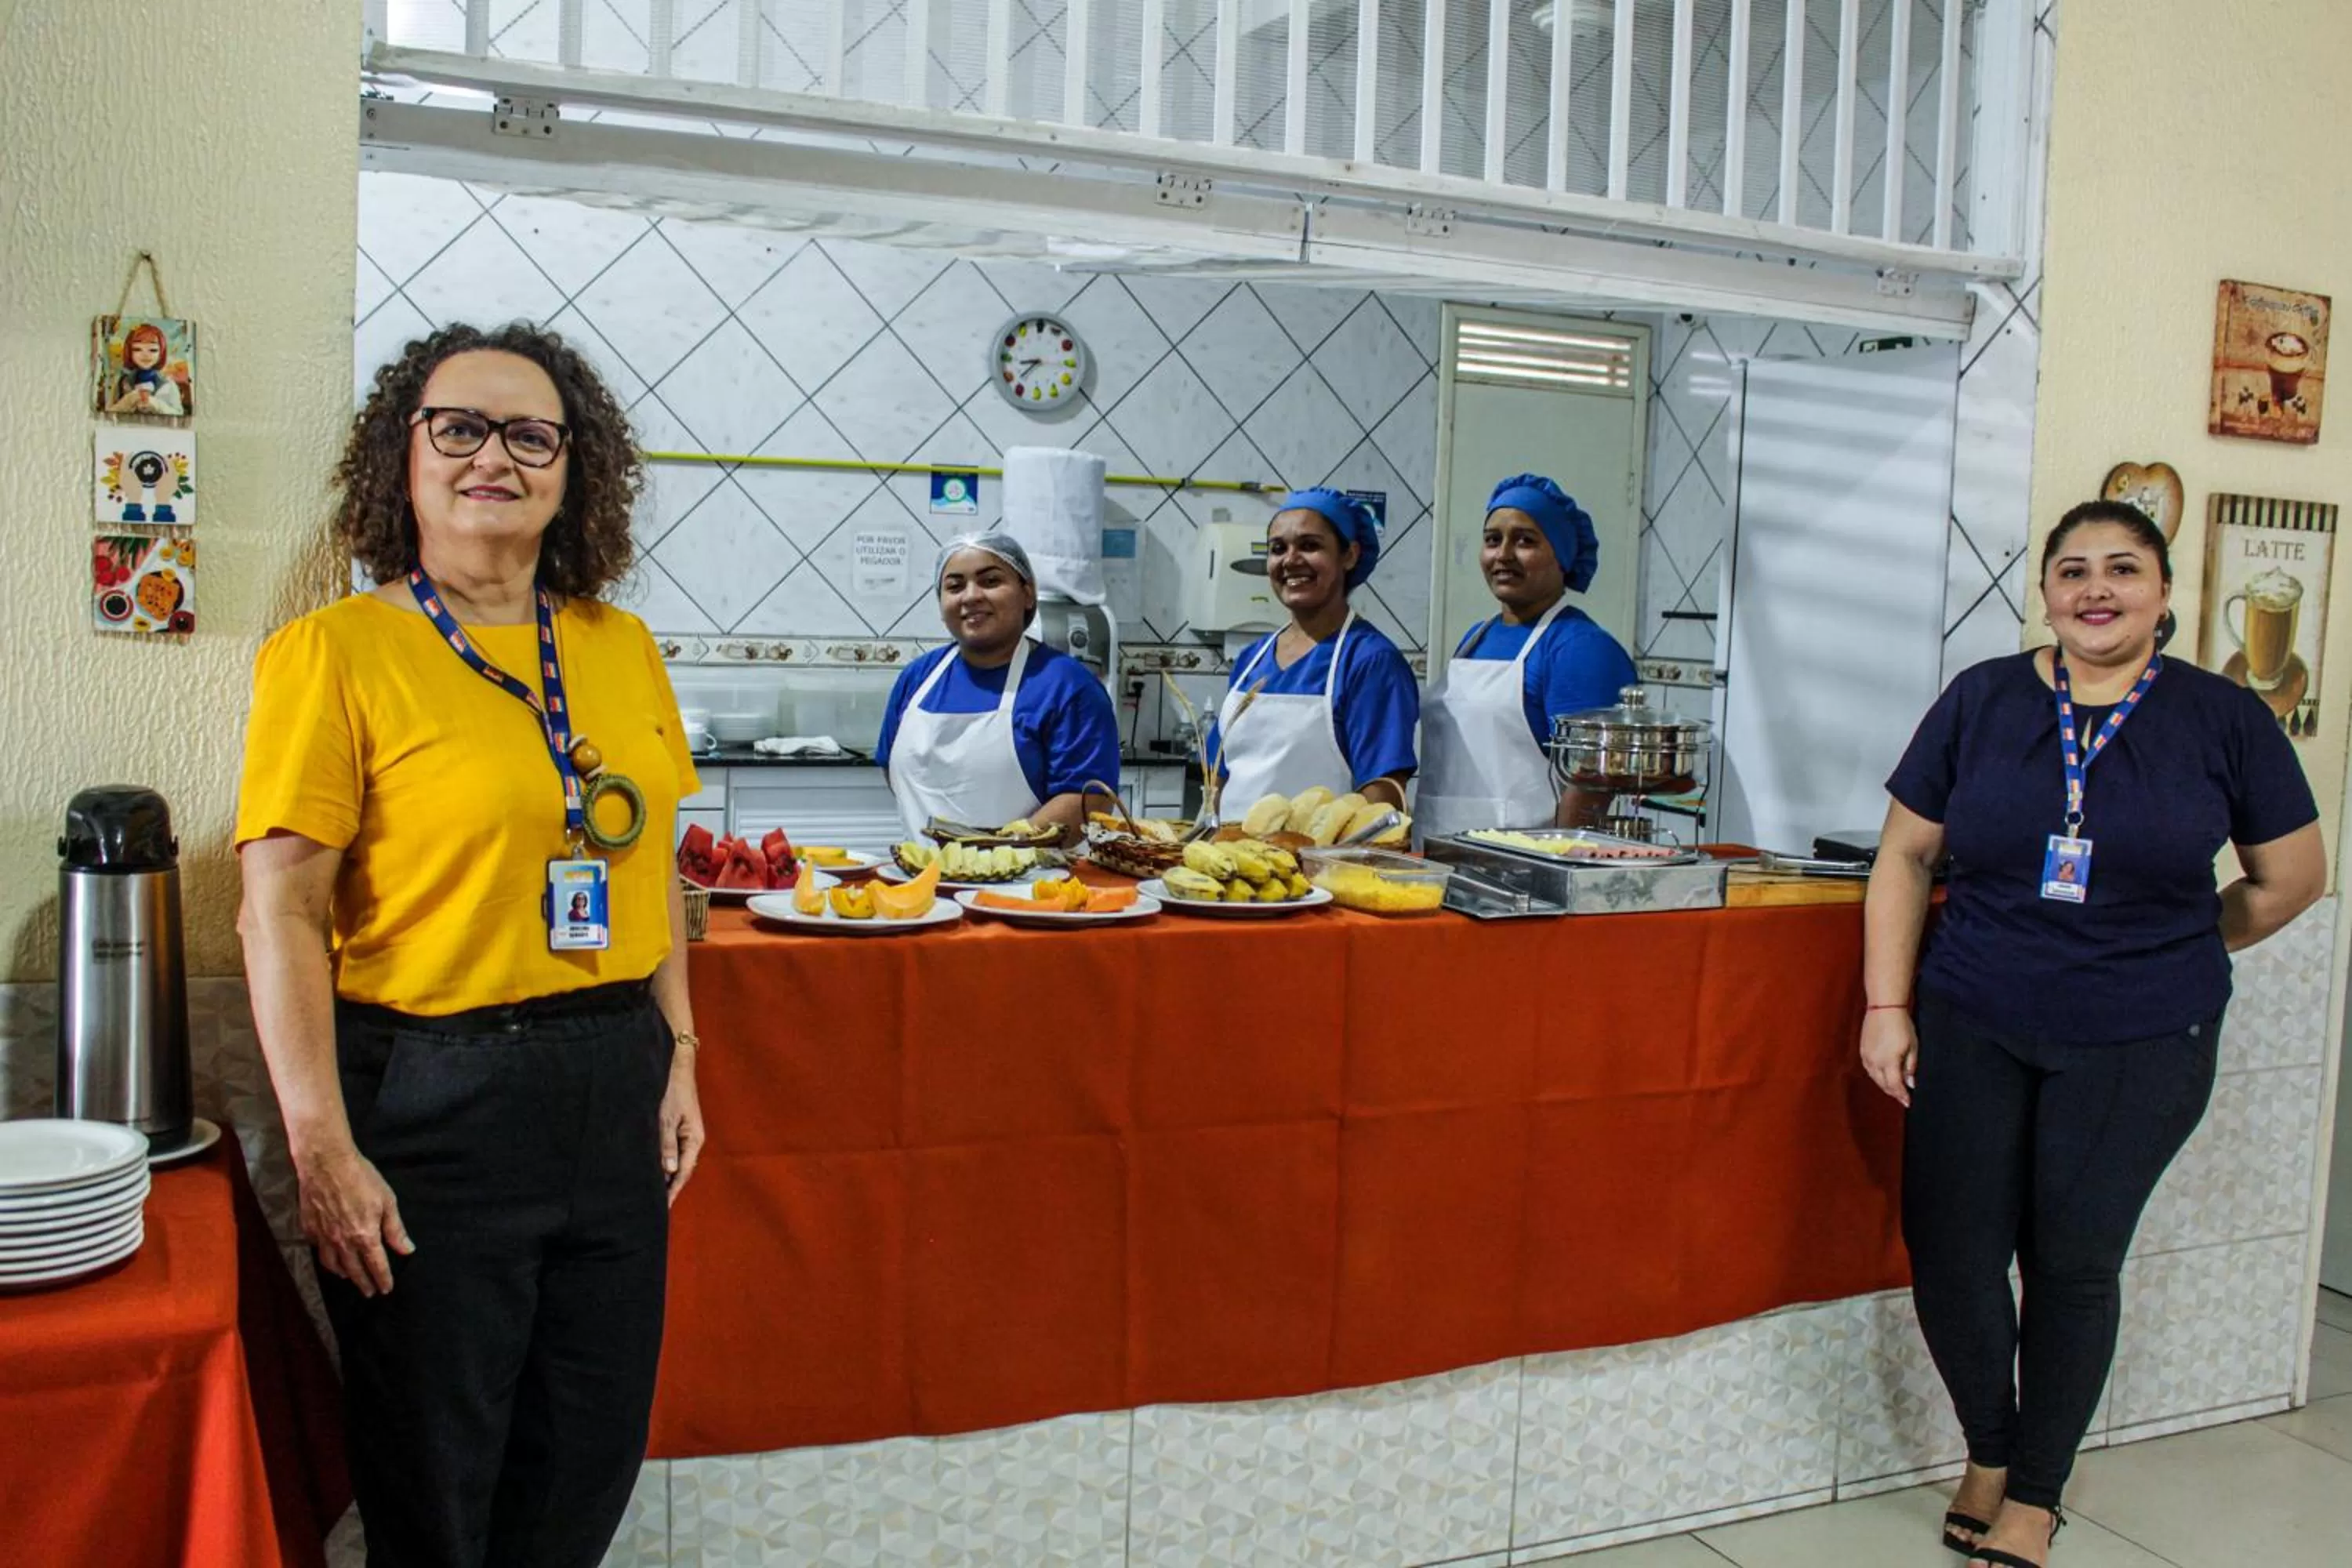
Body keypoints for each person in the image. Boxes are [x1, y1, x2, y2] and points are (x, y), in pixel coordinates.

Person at [235, 322, 706, 1568]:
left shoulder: (619, 645)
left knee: (583, 1462)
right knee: (436, 1484)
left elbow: (649, 865)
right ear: (405, 457)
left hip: (611, 1087)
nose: (494, 455)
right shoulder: (335, 654)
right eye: (460, 427)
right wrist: (321, 1147)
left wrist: (681, 1054)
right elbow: (278, 910)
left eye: (531, 433)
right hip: (433, 1099)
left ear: (572, 467)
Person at [1860, 500, 2325, 1568]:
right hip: (1974, 1015)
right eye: (2072, 571)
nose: (2096, 589)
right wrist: (1888, 1008)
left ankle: (2034, 1490)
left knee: (2069, 1263)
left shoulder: (2223, 717)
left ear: (2166, 595)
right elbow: (1904, 858)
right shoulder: (1981, 700)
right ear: (2047, 595)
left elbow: (2293, 878)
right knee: (1953, 1257)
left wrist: (2172, 942)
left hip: (2142, 1038)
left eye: (2123, 568)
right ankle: (1989, 1444)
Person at [1417, 474, 1636, 838]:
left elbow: (1588, 782)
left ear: (1563, 556)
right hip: (1443, 853)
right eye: (1492, 540)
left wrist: (1559, 869)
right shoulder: (1477, 636)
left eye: (1525, 541)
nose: (1502, 555)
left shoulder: (1581, 648)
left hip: (1524, 870)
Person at [877, 531, 1121, 841]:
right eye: (954, 586)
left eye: (990, 581)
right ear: (941, 605)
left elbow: (1088, 800)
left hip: (1030, 883)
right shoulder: (917, 678)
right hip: (923, 879)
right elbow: (895, 772)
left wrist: (995, 855)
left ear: (1027, 594)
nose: (971, 596)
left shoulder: (1068, 687)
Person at [1206, 488, 1420, 810]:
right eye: (1278, 548)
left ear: (1349, 555)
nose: (1290, 560)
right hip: (1234, 855)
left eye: (1309, 546)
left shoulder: (1371, 662)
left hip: (1318, 859)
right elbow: (1218, 778)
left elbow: (1382, 803)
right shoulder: (1252, 659)